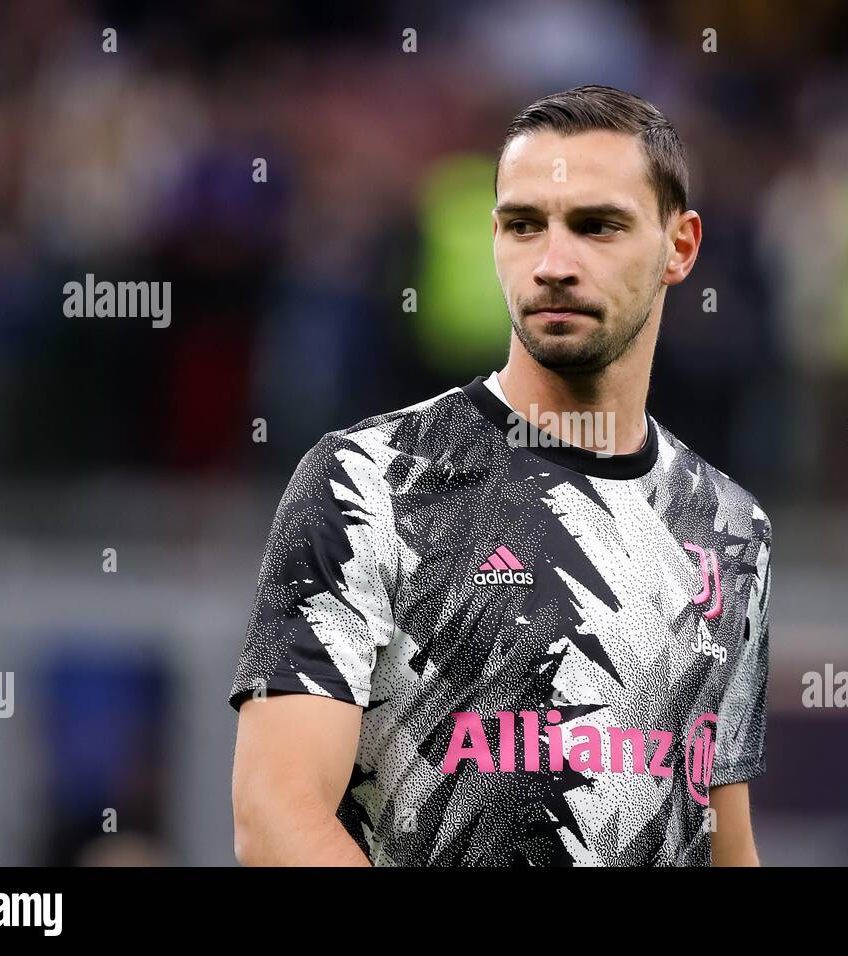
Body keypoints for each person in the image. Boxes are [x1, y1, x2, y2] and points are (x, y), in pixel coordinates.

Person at [229, 85, 772, 866]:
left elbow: (726, 843)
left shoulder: (729, 526)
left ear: (679, 248)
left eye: (597, 227)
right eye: (525, 226)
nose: (553, 264)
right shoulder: (370, 483)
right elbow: (276, 818)